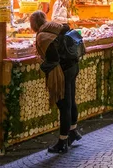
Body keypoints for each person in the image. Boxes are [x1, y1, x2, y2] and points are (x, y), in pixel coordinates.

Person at [30, 10, 82, 153]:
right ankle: (73, 131)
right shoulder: (55, 26)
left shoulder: (42, 36)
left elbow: (52, 59)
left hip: (61, 72)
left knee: (64, 105)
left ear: (34, 24)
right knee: (71, 101)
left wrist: (41, 62)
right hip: (73, 66)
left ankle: (62, 142)